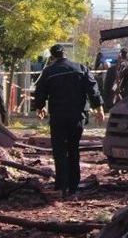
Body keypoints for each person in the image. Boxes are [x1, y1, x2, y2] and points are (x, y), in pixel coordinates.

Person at [33, 44, 104, 197]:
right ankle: (73, 186)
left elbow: (40, 91)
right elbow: (93, 88)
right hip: (77, 116)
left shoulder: (49, 71)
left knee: (59, 151)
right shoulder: (80, 68)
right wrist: (99, 108)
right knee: (73, 149)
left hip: (58, 117)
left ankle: (61, 184)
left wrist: (40, 107)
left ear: (52, 57)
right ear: (65, 54)